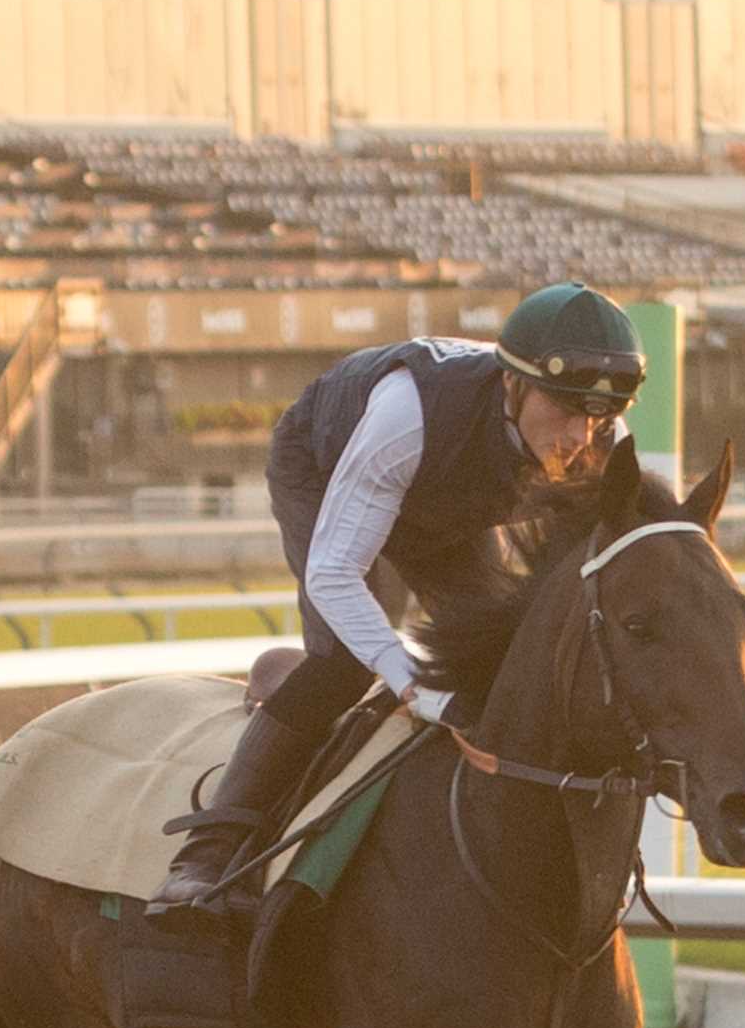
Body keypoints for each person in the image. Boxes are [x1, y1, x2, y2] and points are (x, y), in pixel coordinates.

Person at [146, 284, 646, 917]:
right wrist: (414, 684)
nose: (579, 435)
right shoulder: (407, 413)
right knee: (346, 663)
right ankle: (207, 855)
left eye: (597, 417)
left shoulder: (601, 437)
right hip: (324, 468)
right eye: (565, 410)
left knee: (499, 662)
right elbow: (335, 574)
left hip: (448, 507)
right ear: (513, 385)